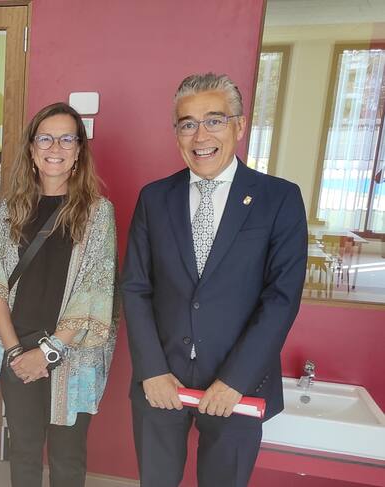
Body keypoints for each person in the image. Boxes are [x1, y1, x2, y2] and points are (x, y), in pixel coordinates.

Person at [122, 73, 307, 487]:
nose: (200, 135)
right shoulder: (154, 198)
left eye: (214, 120)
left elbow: (281, 298)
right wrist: (151, 370)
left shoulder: (279, 198)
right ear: (177, 133)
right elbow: (135, 288)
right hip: (161, 380)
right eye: (187, 123)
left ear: (239, 126)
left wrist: (235, 380)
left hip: (239, 384)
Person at [0, 102, 118, 487]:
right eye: (45, 139)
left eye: (66, 139)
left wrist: (48, 352)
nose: (55, 148)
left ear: (79, 151)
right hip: (17, 349)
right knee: (23, 450)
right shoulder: (10, 209)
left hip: (73, 355)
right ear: (32, 148)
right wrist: (16, 353)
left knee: (67, 458)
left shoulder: (98, 213)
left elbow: (94, 293)